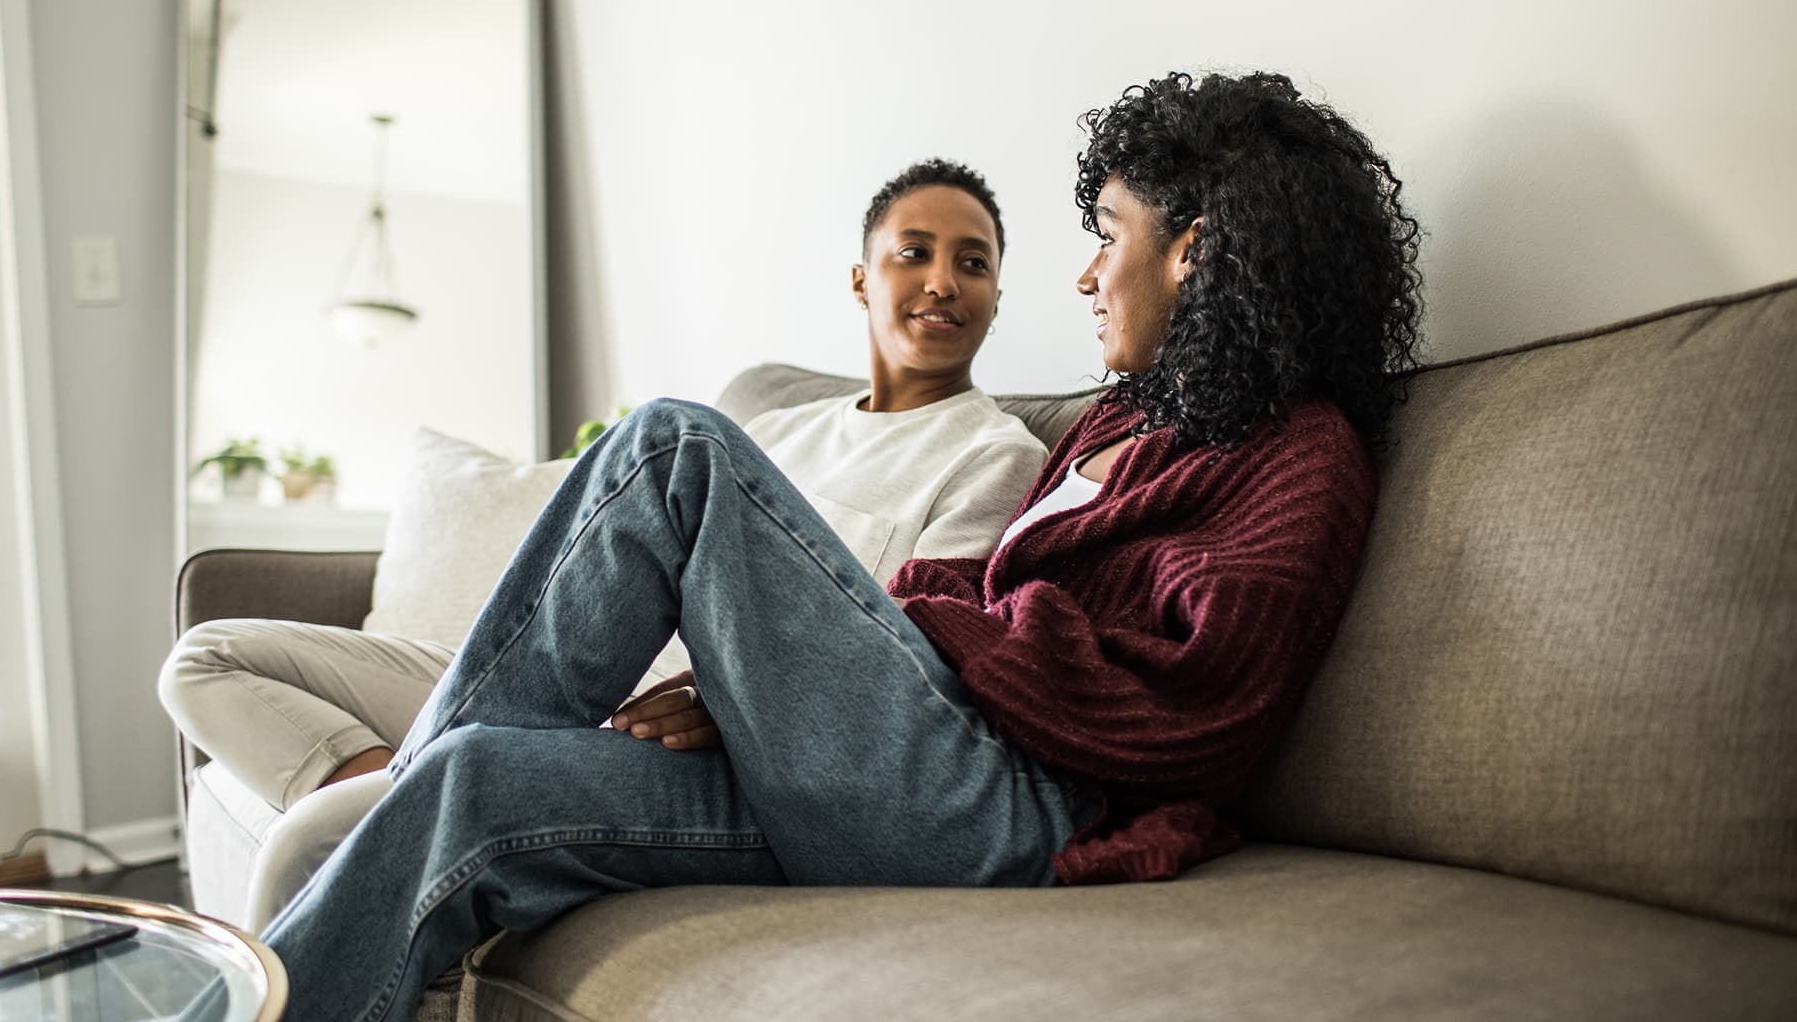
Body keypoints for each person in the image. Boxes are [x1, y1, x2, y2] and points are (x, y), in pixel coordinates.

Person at [257, 72, 1426, 1022]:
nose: (1083, 272)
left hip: (1013, 812)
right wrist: (774, 684)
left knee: (673, 448)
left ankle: (364, 816)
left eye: (1107, 234)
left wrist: (878, 643)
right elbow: (968, 605)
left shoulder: (1300, 458)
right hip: (920, 768)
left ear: (1197, 250)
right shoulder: (1128, 418)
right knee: (478, 787)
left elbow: (1189, 710)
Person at [158, 159, 1047, 930]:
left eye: (974, 264)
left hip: (682, 733)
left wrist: (739, 691)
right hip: (580, 666)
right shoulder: (777, 428)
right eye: (914, 253)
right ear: (861, 280)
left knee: (304, 843)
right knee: (208, 657)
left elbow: (900, 662)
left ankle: (408, 794)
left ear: (997, 299)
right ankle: (408, 780)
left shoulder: (995, 453)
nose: (943, 281)